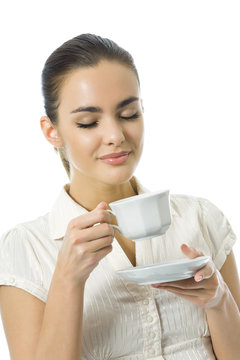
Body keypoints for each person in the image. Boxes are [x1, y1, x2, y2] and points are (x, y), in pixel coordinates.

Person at [0, 33, 239, 360]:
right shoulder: (27, 249)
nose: (115, 135)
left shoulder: (200, 218)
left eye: (129, 114)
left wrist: (219, 301)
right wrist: (68, 280)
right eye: (88, 122)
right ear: (51, 131)